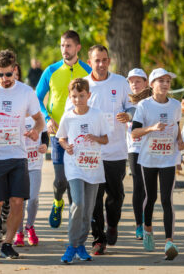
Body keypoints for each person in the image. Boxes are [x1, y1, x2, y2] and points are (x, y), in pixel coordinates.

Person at [0, 49, 44, 259]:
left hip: (18, 155)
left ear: (15, 70)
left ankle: (7, 243)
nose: (4, 79)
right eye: (0, 74)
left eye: (8, 74)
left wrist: (35, 131)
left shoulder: (26, 91)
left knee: (17, 202)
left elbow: (39, 119)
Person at [67, 45, 133, 255]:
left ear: (109, 61)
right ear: (90, 61)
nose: (101, 64)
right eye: (97, 60)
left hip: (115, 151)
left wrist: (128, 115)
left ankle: (112, 223)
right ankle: (98, 239)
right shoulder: (85, 85)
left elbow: (131, 106)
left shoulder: (121, 82)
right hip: (91, 155)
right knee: (94, 200)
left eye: (105, 60)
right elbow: (73, 114)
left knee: (116, 196)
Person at [36, 30, 92, 228]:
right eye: (62, 45)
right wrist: (47, 117)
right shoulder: (50, 71)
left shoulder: (87, 71)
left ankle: (74, 224)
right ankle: (57, 201)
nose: (64, 50)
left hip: (81, 134)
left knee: (76, 180)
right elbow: (37, 99)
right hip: (57, 133)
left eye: (68, 45)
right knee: (61, 180)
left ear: (78, 48)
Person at [132, 68, 184, 260]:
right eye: (161, 80)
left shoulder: (175, 105)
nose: (165, 84)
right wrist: (152, 128)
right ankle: (147, 229)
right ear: (152, 84)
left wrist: (179, 141)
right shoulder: (144, 106)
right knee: (151, 197)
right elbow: (134, 133)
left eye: (168, 81)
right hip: (149, 158)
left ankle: (169, 241)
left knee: (166, 199)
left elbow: (176, 125)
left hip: (169, 158)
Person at [56, 78, 110, 263]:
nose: (78, 100)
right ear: (70, 98)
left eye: (81, 96)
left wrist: (95, 137)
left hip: (93, 168)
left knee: (88, 211)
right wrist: (66, 146)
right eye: (74, 97)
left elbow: (105, 139)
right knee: (77, 203)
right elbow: (61, 137)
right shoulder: (68, 116)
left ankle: (81, 245)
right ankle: (71, 246)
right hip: (74, 167)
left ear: (89, 95)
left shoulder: (97, 114)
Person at [14, 114, 48, 247]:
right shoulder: (15, 116)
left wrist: (44, 145)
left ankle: (30, 226)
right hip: (19, 165)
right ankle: (19, 232)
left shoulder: (38, 118)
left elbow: (44, 136)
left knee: (33, 199)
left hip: (35, 165)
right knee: (19, 202)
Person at [125, 68, 149, 240]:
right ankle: (139, 225)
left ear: (146, 83)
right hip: (134, 148)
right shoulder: (125, 102)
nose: (134, 84)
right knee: (138, 185)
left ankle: (146, 220)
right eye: (131, 81)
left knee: (149, 189)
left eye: (138, 81)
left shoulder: (153, 101)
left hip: (150, 148)